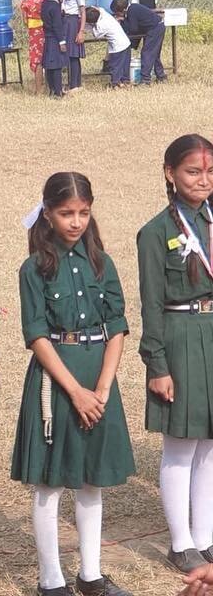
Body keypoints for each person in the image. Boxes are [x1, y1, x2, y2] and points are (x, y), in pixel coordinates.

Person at [11, 173, 135, 596]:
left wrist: (101, 388)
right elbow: (36, 335)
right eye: (66, 213)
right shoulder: (34, 269)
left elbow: (116, 326)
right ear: (47, 212)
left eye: (83, 212)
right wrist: (76, 392)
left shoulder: (102, 261)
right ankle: (51, 580)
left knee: (90, 479)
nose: (76, 221)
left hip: (97, 379)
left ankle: (91, 575)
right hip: (57, 381)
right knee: (50, 481)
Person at [137, 134, 213, 573]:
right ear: (170, 173)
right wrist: (158, 364)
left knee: (209, 444)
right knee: (181, 444)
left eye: (208, 172)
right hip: (180, 337)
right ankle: (180, 541)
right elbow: (150, 304)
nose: (202, 180)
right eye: (192, 171)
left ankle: (204, 537)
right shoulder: (156, 232)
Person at [112, 0, 166, 81]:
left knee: (147, 53)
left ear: (122, 10)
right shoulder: (132, 8)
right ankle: (161, 76)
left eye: (117, 12)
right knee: (154, 53)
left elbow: (133, 29)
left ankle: (145, 79)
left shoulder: (132, 11)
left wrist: (122, 20)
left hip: (155, 28)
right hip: (156, 26)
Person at [82, 2, 133, 87]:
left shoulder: (102, 25)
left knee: (115, 65)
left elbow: (96, 35)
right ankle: (125, 81)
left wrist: (88, 26)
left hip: (118, 46)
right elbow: (97, 8)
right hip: (125, 42)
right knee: (124, 65)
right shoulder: (103, 13)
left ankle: (115, 83)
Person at [59, 0, 89, 92]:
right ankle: (71, 83)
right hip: (65, 20)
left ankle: (75, 84)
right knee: (67, 54)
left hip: (73, 22)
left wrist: (81, 31)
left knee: (73, 54)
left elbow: (82, 12)